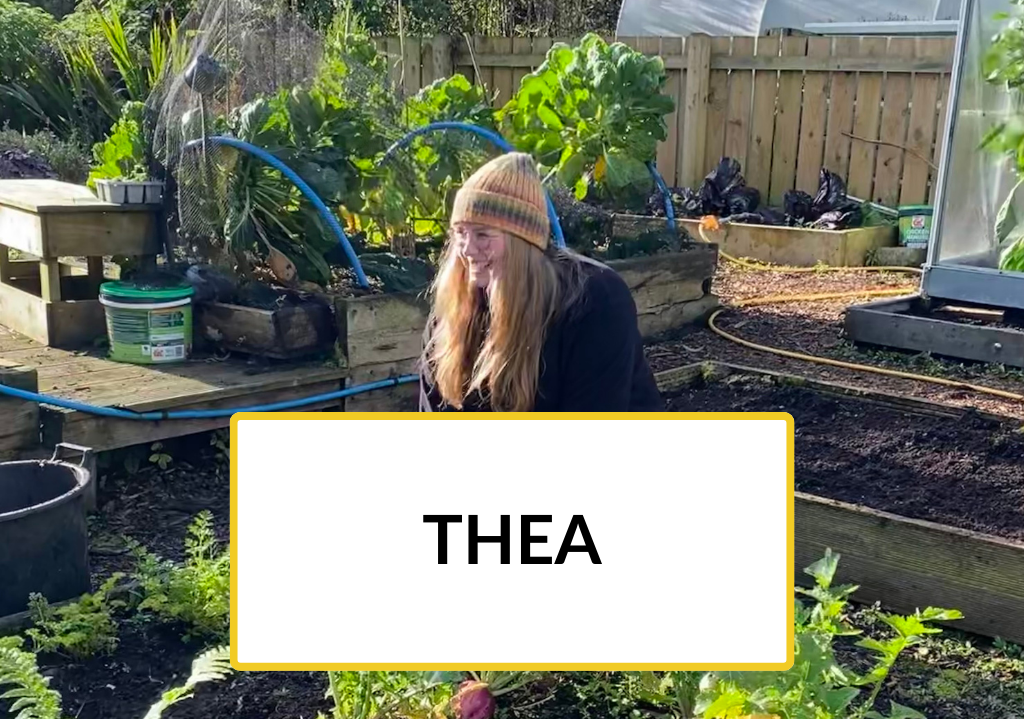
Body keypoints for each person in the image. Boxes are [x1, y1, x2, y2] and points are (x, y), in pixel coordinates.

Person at [418, 151, 664, 412]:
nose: (466, 249)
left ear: (522, 241)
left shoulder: (594, 302)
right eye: (460, 233)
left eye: (482, 234)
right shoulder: (454, 310)